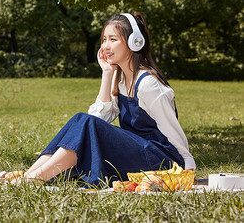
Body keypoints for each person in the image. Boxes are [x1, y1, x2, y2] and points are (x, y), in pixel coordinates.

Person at [12, 12, 196, 186]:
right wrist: (107, 74)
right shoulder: (121, 78)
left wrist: (186, 169)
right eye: (104, 40)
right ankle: (28, 176)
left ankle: (31, 181)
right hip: (136, 152)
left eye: (113, 39)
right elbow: (98, 119)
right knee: (79, 119)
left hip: (160, 160)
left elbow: (174, 134)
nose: (105, 46)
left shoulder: (149, 84)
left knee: (84, 122)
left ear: (135, 42)